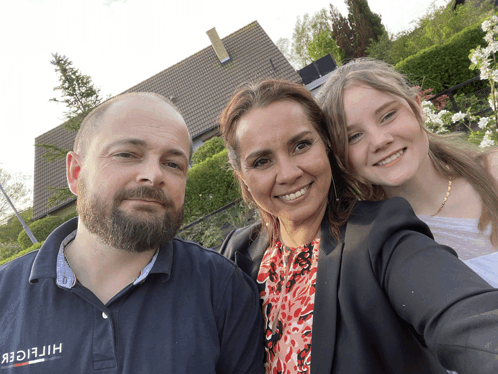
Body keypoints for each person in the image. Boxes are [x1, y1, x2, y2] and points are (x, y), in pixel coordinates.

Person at [218, 78, 498, 374]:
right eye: (262, 161)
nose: (288, 174)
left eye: (301, 145)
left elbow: (466, 321)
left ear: (326, 146)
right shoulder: (237, 256)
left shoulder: (379, 234)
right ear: (242, 177)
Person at [0, 92, 264, 373]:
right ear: (76, 172)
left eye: (173, 163)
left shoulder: (223, 289)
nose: (154, 175)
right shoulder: (5, 298)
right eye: (126, 155)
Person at [316, 58, 498, 287]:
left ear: (417, 108)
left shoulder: (494, 171)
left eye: (388, 115)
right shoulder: (371, 248)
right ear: (341, 156)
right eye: (354, 136)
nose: (380, 141)